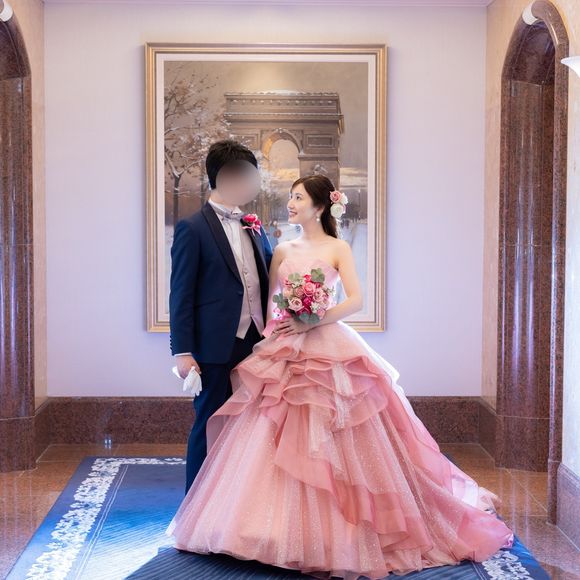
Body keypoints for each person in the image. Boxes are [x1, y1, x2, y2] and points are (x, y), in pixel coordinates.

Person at [166, 174, 514, 578]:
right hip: (286, 343)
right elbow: (268, 303)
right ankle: (263, 528)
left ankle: (340, 531)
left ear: (319, 206)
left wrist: (314, 319)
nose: (291, 203)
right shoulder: (281, 249)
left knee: (338, 430)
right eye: (291, 197)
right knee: (270, 429)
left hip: (327, 341)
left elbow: (356, 300)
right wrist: (281, 327)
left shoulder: (338, 247)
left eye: (298, 198)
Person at [169, 139, 273, 494]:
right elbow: (181, 293)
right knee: (209, 423)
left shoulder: (253, 225)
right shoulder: (193, 228)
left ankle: (238, 504)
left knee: (252, 426)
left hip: (257, 343)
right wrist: (183, 351)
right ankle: (194, 508)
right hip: (213, 347)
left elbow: (267, 277)